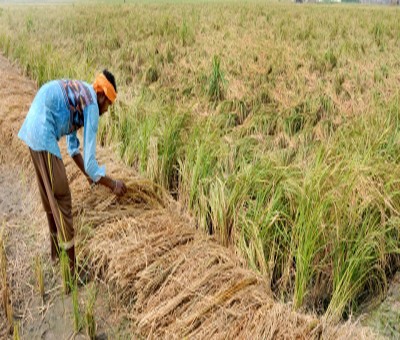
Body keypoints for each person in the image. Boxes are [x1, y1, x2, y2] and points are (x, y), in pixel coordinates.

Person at [18, 69, 127, 276]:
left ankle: (54, 253)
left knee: (50, 194)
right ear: (102, 95)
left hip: (34, 124)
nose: (107, 110)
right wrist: (113, 184)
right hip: (43, 130)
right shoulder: (92, 106)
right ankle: (71, 273)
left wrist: (88, 175)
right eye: (108, 105)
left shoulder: (82, 93)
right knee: (62, 198)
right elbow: (91, 162)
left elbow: (73, 149)